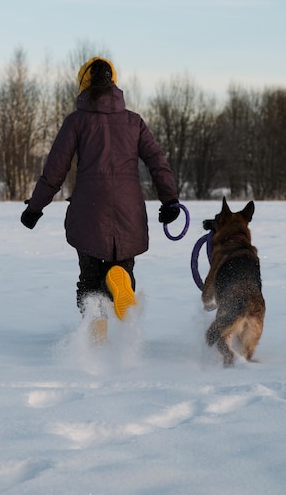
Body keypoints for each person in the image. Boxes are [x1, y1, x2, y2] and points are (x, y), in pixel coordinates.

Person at [21, 57, 180, 344]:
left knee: (90, 277)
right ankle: (121, 281)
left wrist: (35, 208)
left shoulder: (77, 121)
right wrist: (170, 201)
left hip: (89, 212)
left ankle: (95, 333)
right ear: (114, 83)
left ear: (83, 84)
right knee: (121, 266)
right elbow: (158, 162)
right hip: (129, 210)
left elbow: (55, 170)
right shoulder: (134, 121)